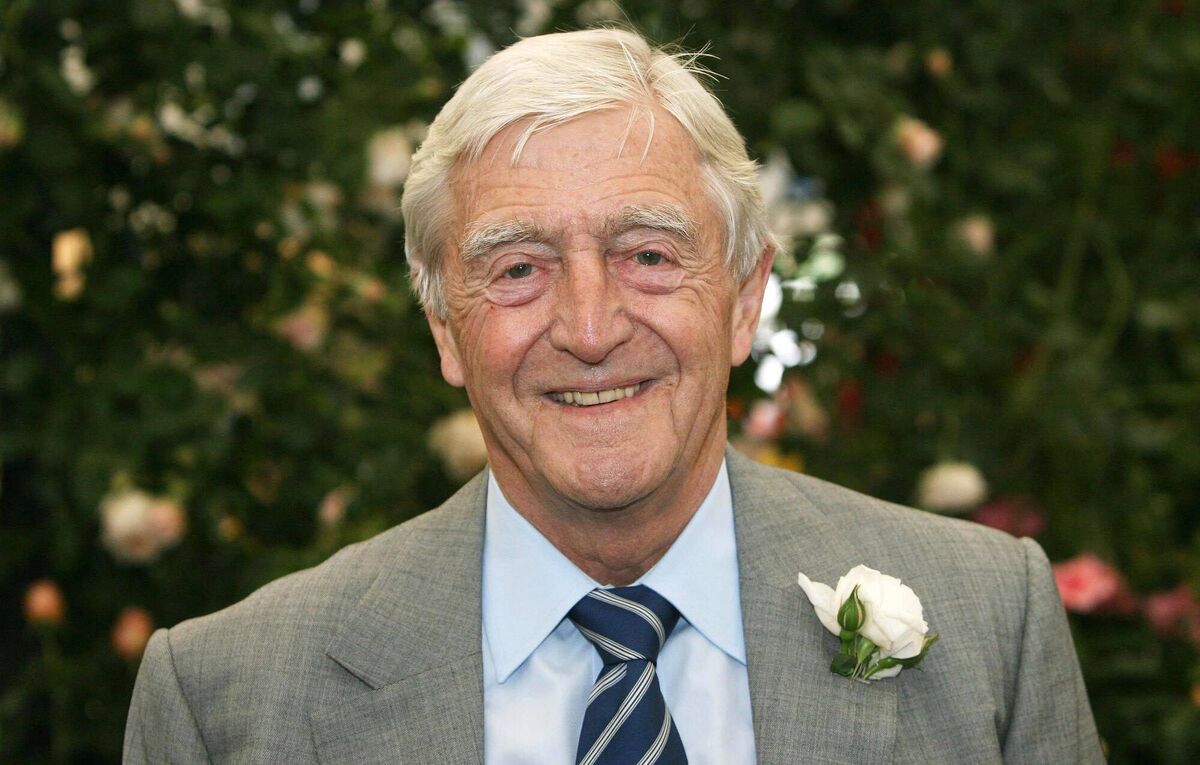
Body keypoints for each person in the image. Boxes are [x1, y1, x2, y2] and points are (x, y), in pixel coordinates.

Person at [124, 28, 1104, 764]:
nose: (589, 331)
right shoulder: (229, 701)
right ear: (443, 328)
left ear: (744, 298)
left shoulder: (989, 629)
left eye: (647, 255)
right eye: (517, 269)